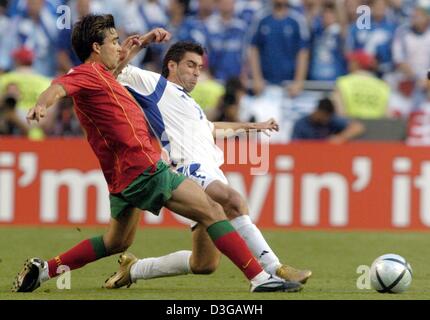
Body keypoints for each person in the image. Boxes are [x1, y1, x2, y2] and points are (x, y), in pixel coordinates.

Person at [12, 14, 302, 294]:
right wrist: (42, 104)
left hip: (122, 177)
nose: (119, 45)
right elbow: (60, 86)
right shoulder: (86, 74)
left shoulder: (103, 75)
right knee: (213, 210)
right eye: (113, 41)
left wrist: (145, 41)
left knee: (116, 242)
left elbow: (120, 59)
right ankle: (260, 277)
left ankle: (45, 270)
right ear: (96, 48)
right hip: (144, 168)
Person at [103, 41, 312, 289]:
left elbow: (212, 129)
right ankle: (274, 268)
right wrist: (143, 41)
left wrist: (252, 127)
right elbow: (113, 71)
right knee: (232, 200)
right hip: (187, 170)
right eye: (190, 65)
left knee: (204, 264)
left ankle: (134, 269)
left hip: (211, 171)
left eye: (200, 67)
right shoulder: (154, 86)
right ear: (171, 65)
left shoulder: (190, 103)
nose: (196, 72)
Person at [291, 97, 365, 143]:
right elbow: (295, 145)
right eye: (324, 116)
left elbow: (358, 127)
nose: (326, 120)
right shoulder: (301, 124)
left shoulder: (332, 120)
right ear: (318, 111)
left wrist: (340, 138)